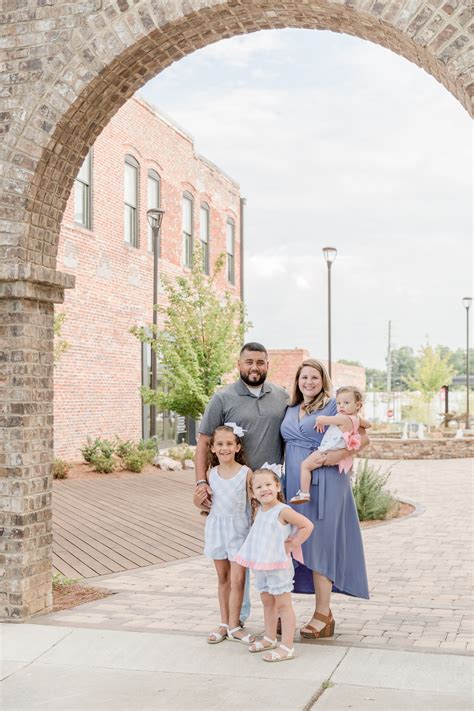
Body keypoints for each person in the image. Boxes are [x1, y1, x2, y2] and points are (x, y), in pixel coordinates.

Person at [194, 342, 289, 621]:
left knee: (273, 555)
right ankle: (237, 619)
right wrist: (201, 483)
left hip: (269, 493)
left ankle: (279, 618)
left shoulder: (282, 396)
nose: (254, 367)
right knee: (237, 559)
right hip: (232, 493)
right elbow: (203, 444)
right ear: (239, 364)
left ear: (268, 365)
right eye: (249, 362)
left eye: (260, 362)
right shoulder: (222, 398)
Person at [281, 359, 370, 640]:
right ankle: (285, 611)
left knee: (320, 543)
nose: (309, 382)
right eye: (304, 377)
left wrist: (335, 456)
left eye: (315, 378)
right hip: (295, 485)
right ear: (297, 380)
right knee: (292, 545)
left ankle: (323, 614)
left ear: (323, 381)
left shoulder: (333, 406)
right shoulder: (290, 408)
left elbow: (364, 434)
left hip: (327, 482)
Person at [234, 466, 313, 662]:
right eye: (258, 487)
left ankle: (287, 646)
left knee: (283, 605)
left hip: (278, 566)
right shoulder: (260, 510)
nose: (264, 489)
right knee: (267, 602)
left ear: (277, 486)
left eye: (268, 484)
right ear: (253, 493)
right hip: (262, 565)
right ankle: (269, 637)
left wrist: (293, 544)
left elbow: (307, 525)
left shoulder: (283, 511)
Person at [203, 424, 254, 645]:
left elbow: (254, 503)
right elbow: (204, 504)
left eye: (229, 444)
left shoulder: (246, 473)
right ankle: (224, 623)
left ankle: (235, 624)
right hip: (216, 529)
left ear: (237, 446)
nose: (224, 448)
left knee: (238, 579)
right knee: (223, 578)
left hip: (239, 530)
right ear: (213, 448)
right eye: (220, 444)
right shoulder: (210, 474)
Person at [290, 385, 371, 504]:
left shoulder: (343, 419)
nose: (341, 406)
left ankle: (304, 493)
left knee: (305, 466)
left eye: (346, 402)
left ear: (358, 405)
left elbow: (322, 419)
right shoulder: (356, 418)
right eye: (338, 403)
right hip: (339, 450)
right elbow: (368, 425)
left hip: (327, 451)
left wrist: (319, 421)